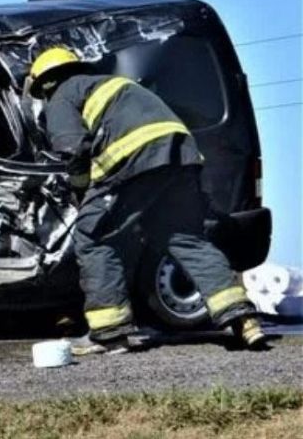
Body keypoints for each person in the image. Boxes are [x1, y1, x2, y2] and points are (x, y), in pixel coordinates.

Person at [25, 46, 265, 352]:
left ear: (45, 83)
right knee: (185, 238)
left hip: (134, 162)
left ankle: (109, 333)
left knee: (94, 236)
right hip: (181, 158)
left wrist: (81, 190)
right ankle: (242, 318)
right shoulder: (116, 84)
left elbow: (73, 149)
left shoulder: (62, 95)